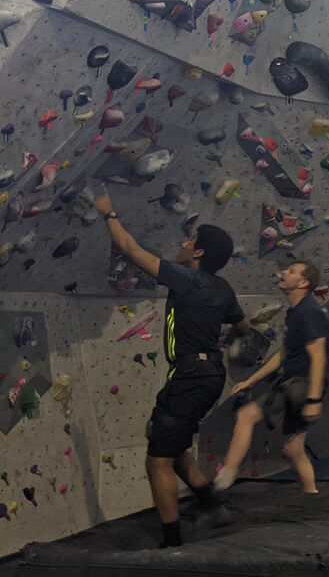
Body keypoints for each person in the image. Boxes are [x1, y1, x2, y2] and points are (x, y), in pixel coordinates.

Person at [93, 188, 250, 548]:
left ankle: (171, 543)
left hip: (190, 377)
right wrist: (226, 337)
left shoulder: (186, 277)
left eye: (189, 240)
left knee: (157, 461)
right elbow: (243, 327)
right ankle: (212, 505)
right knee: (175, 450)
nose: (183, 244)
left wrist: (108, 212)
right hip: (207, 375)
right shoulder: (223, 288)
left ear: (197, 253)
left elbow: (131, 250)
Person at [214, 261, 329, 496]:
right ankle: (312, 493)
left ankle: (228, 473)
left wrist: (314, 400)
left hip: (301, 385)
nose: (284, 272)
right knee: (293, 449)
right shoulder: (296, 312)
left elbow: (319, 357)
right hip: (299, 384)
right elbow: (283, 355)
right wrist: (250, 381)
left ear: (303, 282)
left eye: (292, 271)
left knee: (247, 415)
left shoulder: (309, 313)